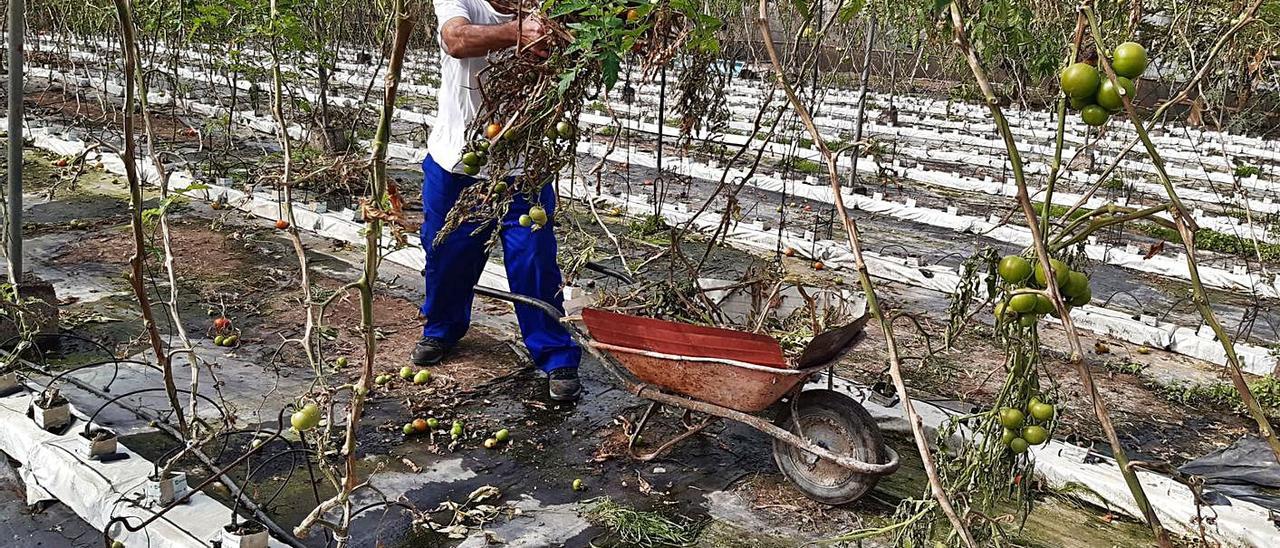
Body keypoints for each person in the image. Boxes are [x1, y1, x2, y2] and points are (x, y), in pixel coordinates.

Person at [413, 0, 582, 401]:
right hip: (457, 163)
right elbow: (455, 39)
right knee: (447, 254)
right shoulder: (460, 3)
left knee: (535, 258)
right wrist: (516, 32)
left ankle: (556, 355)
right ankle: (441, 331)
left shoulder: (552, 7)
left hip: (524, 168)